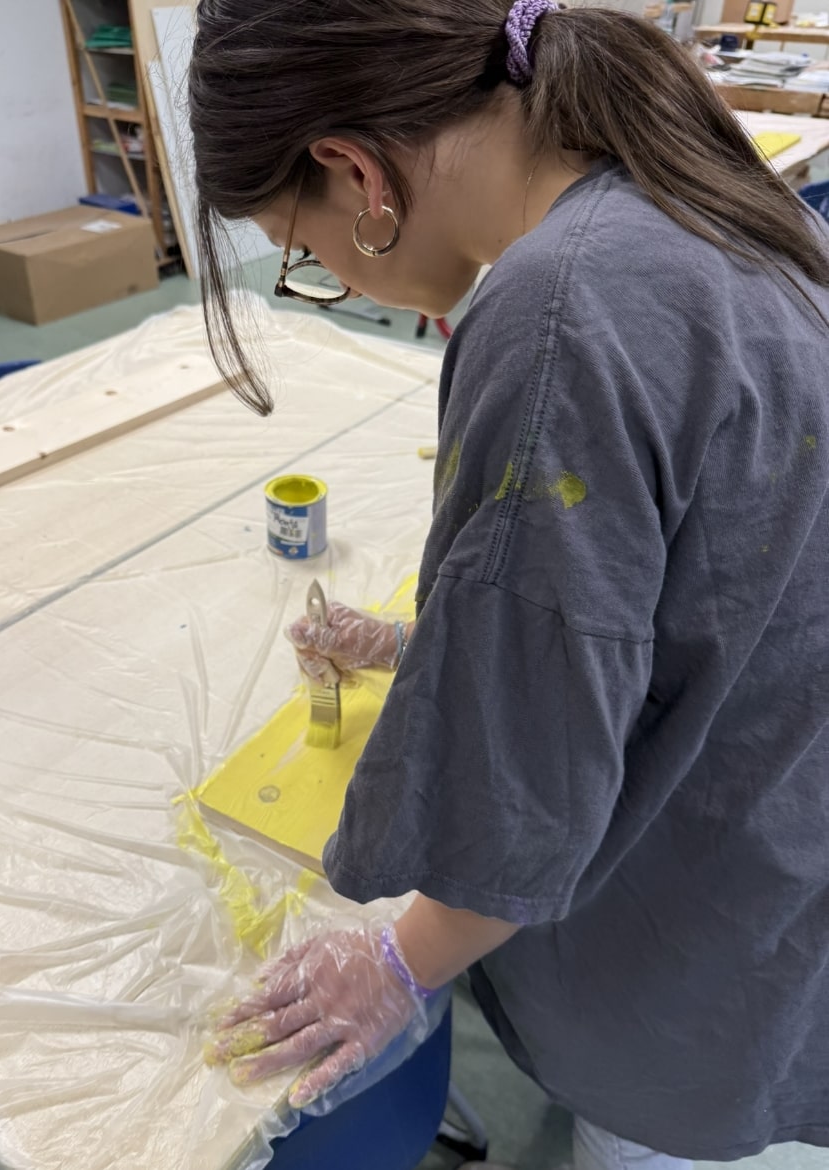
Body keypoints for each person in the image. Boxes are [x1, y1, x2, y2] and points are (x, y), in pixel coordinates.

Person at [190, 2, 829, 1167]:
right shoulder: (682, 187)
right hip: (785, 823)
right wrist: (430, 640)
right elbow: (699, 571)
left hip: (701, 926)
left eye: (302, 251)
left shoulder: (557, 313)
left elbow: (533, 779)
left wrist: (395, 965)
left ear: (356, 174)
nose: (326, 276)